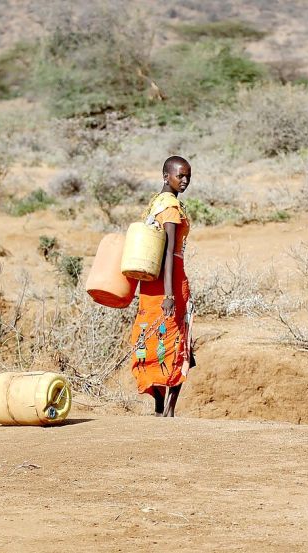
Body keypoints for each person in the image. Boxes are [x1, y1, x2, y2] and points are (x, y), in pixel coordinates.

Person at [129, 156, 195, 417]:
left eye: (188, 175)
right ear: (166, 176)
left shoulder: (155, 204)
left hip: (150, 283)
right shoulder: (171, 209)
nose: (186, 180)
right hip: (170, 281)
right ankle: (168, 409)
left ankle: (160, 406)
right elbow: (168, 252)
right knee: (178, 340)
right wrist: (170, 294)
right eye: (181, 175)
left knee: (151, 337)